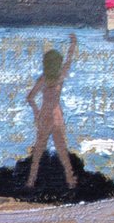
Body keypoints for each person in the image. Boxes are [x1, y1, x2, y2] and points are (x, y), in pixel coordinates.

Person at [25, 33, 78, 191]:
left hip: (44, 116)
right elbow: (68, 61)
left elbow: (30, 98)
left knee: (38, 152)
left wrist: (36, 113)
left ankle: (31, 181)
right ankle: (71, 181)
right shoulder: (60, 77)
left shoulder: (43, 79)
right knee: (62, 150)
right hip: (56, 116)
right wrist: (73, 44)